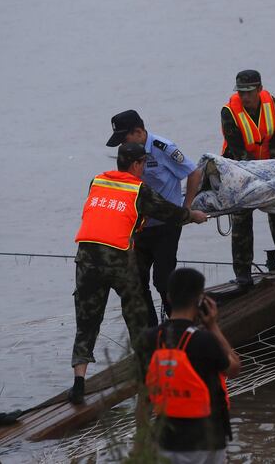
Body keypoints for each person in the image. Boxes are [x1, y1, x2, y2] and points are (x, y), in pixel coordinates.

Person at [70, 142, 208, 404]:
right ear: (136, 165)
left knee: (86, 322)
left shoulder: (97, 182)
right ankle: (148, 376)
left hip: (86, 260)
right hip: (119, 258)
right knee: (137, 315)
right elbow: (168, 212)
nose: (145, 168)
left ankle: (78, 383)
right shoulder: (139, 189)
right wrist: (193, 215)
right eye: (144, 163)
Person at [106, 109, 202, 326]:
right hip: (140, 228)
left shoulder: (163, 147)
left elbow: (194, 172)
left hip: (167, 224)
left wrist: (186, 210)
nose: (122, 144)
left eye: (124, 138)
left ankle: (183, 326)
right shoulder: (128, 153)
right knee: (136, 282)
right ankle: (152, 332)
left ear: (139, 132)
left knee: (164, 281)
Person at [137, 268, 240, 464]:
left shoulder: (149, 339)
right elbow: (234, 368)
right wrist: (213, 326)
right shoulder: (204, 340)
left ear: (168, 296)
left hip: (166, 441)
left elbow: (144, 399)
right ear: (200, 299)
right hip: (208, 440)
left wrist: (139, 444)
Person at [221, 69, 275, 285]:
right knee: (241, 218)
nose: (245, 97)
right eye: (241, 92)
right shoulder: (229, 112)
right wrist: (256, 174)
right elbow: (237, 148)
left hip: (270, 167)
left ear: (259, 89)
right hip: (239, 169)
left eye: (249, 92)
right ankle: (243, 273)